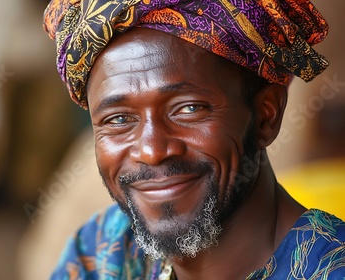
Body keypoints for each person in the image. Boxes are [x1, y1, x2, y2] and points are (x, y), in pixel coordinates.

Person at [43, 0, 345, 279]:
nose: (151, 151)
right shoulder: (102, 252)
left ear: (267, 116)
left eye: (188, 109)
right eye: (119, 119)